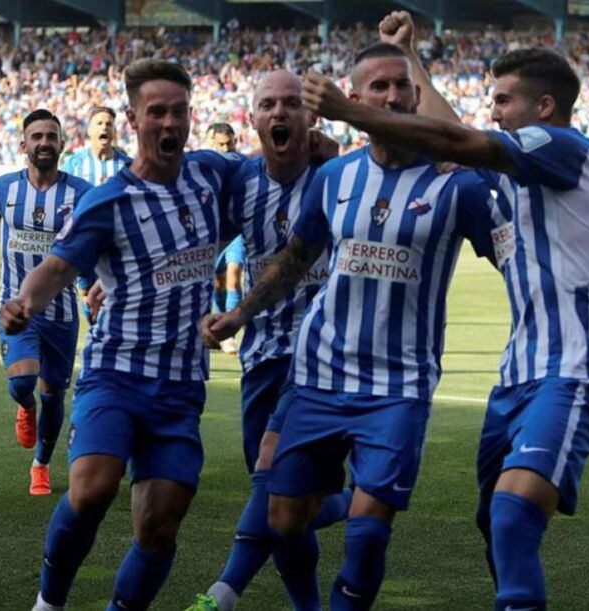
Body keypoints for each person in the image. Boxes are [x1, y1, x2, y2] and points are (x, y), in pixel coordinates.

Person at [302, 14, 589, 610]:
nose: (492, 111)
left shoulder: (564, 148)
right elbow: (452, 128)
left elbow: (454, 140)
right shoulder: (523, 179)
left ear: (545, 107)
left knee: (512, 514)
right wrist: (409, 56)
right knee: (492, 523)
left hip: (572, 370)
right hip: (517, 376)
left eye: (503, 100)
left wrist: (352, 113)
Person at [204, 43, 501, 610]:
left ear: (416, 97)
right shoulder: (334, 177)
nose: (392, 95)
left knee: (367, 533)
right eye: (379, 87)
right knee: (285, 518)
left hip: (399, 384)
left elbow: (512, 256)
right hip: (317, 376)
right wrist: (240, 313)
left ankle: (236, 589)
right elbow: (296, 256)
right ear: (355, 99)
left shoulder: (455, 186)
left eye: (402, 86)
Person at [3, 59, 245, 611]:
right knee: (91, 488)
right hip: (115, 373)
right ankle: (49, 602)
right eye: (156, 112)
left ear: (190, 116)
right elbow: (60, 266)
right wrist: (25, 300)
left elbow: (275, 173)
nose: (169, 123)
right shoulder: (108, 198)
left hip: (181, 384)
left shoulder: (214, 175)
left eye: (179, 112)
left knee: (159, 525)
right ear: (135, 118)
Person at [188, 70, 347, 611]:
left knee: (268, 474)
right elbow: (200, 244)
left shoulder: (338, 175)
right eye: (267, 105)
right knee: (284, 505)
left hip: (325, 355)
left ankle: (224, 591)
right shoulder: (240, 183)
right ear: (252, 120)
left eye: (290, 105)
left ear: (311, 118)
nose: (279, 113)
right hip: (261, 354)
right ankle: (351, 507)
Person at [0, 109, 92, 496]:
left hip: (63, 311)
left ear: (63, 144)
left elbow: (94, 244)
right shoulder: (1, 190)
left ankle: (41, 464)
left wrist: (95, 288)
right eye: (37, 136)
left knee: (55, 395)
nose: (44, 142)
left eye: (51, 136)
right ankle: (23, 405)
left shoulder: (81, 194)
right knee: (22, 382)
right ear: (23, 144)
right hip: (15, 306)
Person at [60, 105, 132, 322]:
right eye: (99, 123)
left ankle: (101, 339)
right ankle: (96, 334)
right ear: (89, 130)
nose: (105, 127)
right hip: (84, 243)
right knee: (90, 298)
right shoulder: (74, 164)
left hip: (117, 247)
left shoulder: (127, 166)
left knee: (110, 302)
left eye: (109, 124)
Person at [211, 235, 245, 354]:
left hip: (236, 235)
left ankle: (229, 332)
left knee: (234, 276)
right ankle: (222, 320)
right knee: (219, 284)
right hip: (217, 236)